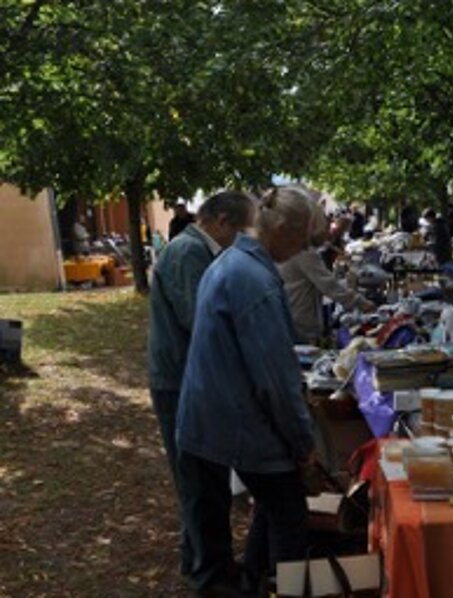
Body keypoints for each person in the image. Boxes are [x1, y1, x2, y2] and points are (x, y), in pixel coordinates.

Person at [176, 187, 318, 596]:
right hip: (238, 422)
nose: (305, 246)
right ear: (283, 229)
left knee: (272, 507)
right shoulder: (253, 279)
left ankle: (253, 583)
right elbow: (275, 380)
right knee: (288, 512)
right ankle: (280, 588)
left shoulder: (231, 262)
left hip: (216, 415)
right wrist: (301, 440)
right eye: (304, 236)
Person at [148, 191, 255, 589]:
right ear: (223, 222)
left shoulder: (198, 252)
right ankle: (211, 576)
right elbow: (202, 320)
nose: (245, 240)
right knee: (199, 483)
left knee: (204, 481)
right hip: (179, 383)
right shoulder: (188, 253)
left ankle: (199, 561)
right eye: (243, 230)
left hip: (187, 379)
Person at [279, 202, 375, 344]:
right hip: (301, 323)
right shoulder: (303, 251)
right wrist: (363, 303)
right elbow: (329, 286)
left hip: (291, 318)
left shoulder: (289, 246)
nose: (326, 228)